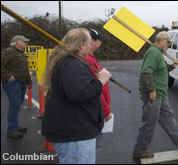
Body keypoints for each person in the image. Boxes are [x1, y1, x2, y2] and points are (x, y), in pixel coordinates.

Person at [41, 28, 111, 164]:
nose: (92, 45)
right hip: (75, 134)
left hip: (73, 130)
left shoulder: (69, 62)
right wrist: (100, 81)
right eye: (90, 42)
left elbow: (77, 87)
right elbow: (80, 93)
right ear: (81, 45)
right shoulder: (72, 64)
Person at [133, 31, 178, 159]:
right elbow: (146, 73)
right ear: (160, 41)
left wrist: (172, 66)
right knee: (149, 123)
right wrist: (151, 90)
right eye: (167, 42)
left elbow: (162, 69)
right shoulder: (153, 52)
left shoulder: (158, 53)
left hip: (160, 93)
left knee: (168, 117)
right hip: (153, 93)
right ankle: (139, 150)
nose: (168, 45)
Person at [84, 29, 112, 163]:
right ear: (92, 42)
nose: (101, 43)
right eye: (99, 40)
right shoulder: (87, 59)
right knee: (94, 145)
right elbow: (93, 89)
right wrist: (105, 111)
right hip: (95, 110)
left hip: (96, 109)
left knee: (92, 145)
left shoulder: (90, 57)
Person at [1, 35, 31, 139]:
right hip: (12, 83)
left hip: (21, 82)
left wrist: (29, 81)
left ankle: (15, 126)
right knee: (14, 105)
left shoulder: (20, 53)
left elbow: (24, 68)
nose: (26, 43)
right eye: (24, 41)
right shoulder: (8, 52)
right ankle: (11, 130)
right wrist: (8, 76)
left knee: (17, 104)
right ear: (16, 42)